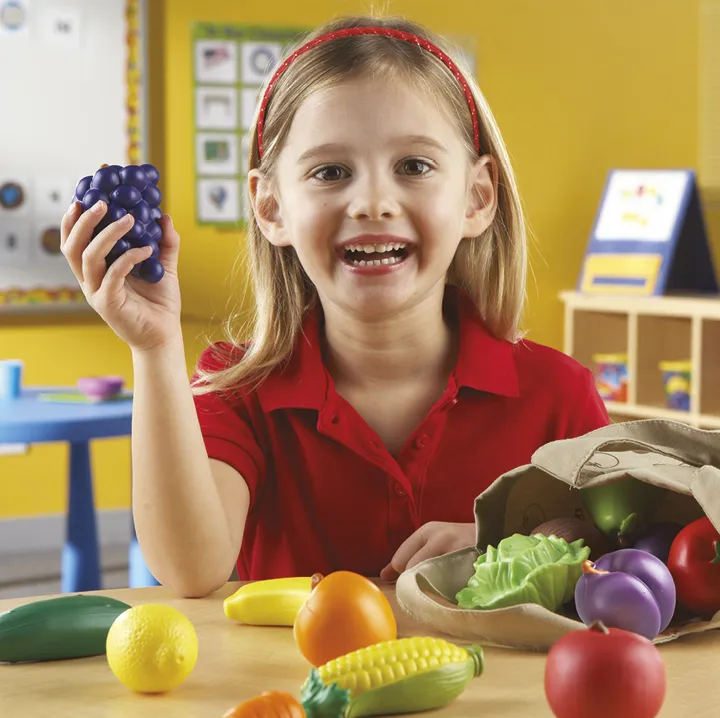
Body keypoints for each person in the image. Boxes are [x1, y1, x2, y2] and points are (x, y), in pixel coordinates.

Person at [59, 15, 609, 598]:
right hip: (291, 693)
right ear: (271, 208)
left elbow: (621, 562)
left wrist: (503, 544)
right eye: (330, 172)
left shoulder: (559, 397)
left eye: (414, 166)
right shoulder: (235, 392)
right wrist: (155, 348)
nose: (372, 202)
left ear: (476, 197)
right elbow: (190, 569)